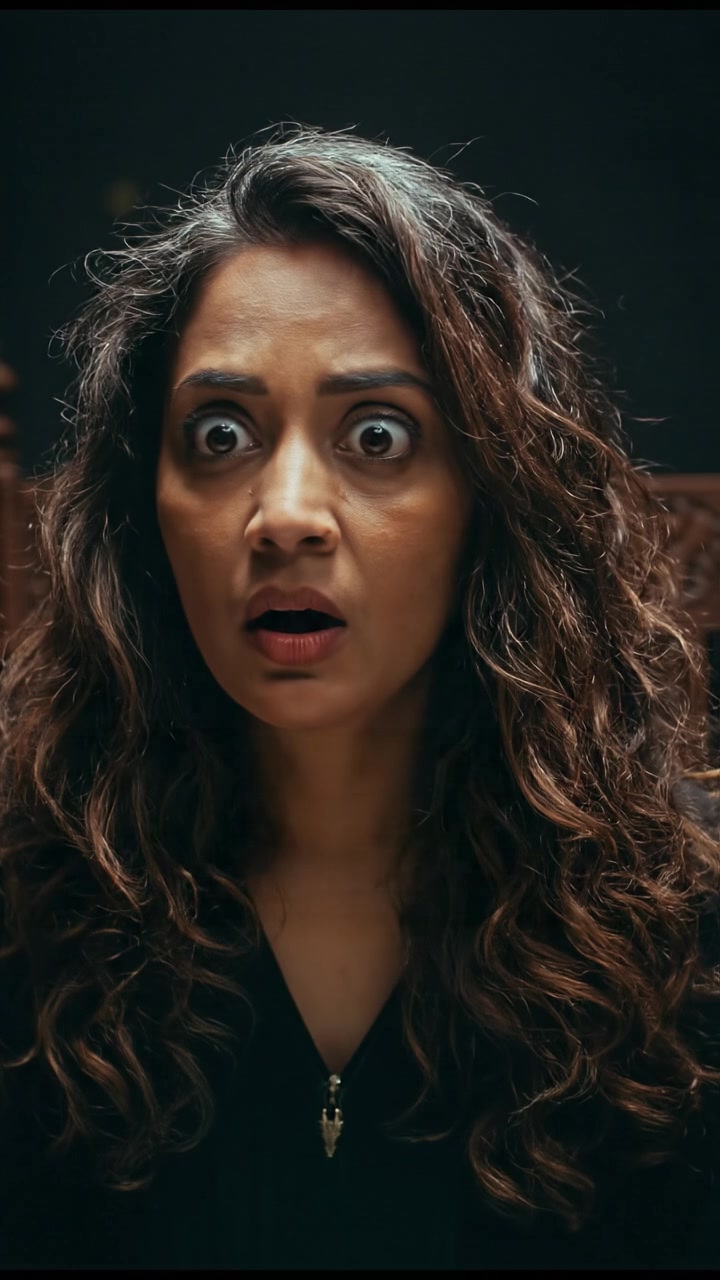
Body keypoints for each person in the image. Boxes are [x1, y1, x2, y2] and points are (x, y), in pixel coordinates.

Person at [1, 124, 719, 1271]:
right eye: (220, 433)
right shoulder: (30, 901)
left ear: (492, 496)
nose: (286, 513)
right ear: (145, 505)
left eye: (377, 434)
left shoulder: (683, 925)